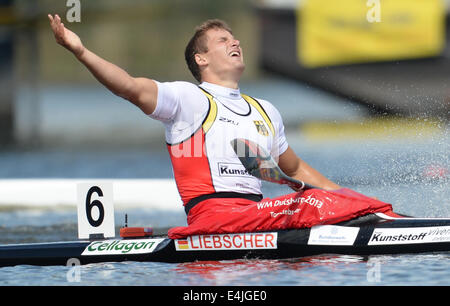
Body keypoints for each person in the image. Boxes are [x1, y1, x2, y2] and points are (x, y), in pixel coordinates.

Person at [48, 15, 393, 238]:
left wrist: (356, 201)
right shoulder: (188, 100)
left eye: (234, 38)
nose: (235, 43)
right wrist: (80, 51)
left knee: (336, 201)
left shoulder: (265, 110)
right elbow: (128, 86)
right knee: (308, 204)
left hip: (257, 216)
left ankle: (387, 221)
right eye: (222, 41)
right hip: (213, 219)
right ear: (201, 59)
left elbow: (296, 169)